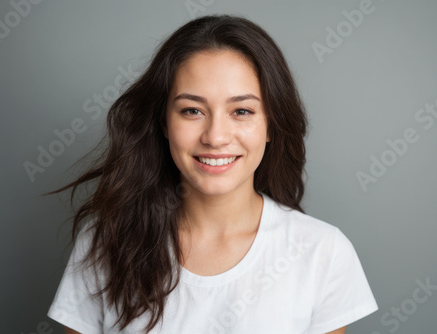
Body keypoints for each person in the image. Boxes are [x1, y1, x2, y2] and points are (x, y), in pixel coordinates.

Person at [46, 14, 378, 334]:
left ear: (271, 125)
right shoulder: (105, 242)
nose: (215, 137)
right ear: (164, 123)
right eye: (192, 110)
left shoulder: (324, 251)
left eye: (242, 111)